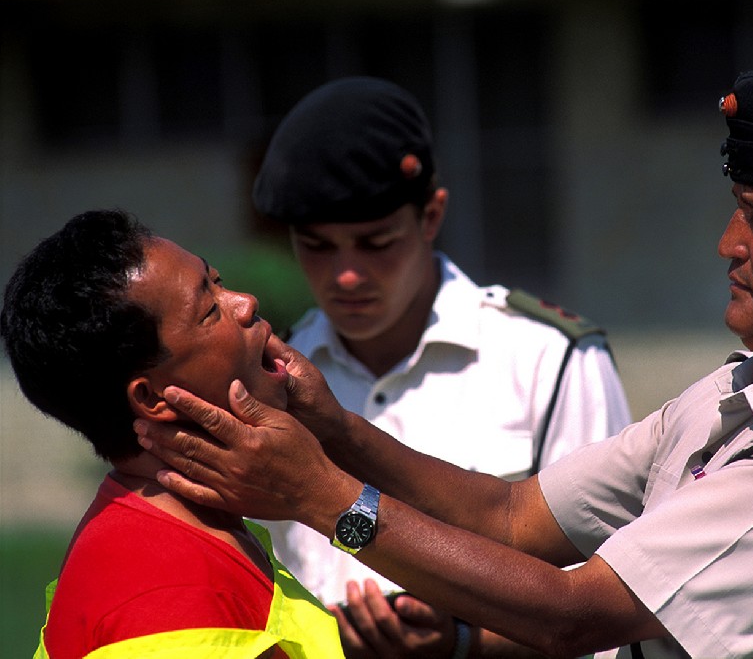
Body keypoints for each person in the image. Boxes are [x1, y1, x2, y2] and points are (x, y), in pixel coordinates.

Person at [136, 62, 753, 658]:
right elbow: (514, 516)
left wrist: (320, 497)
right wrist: (335, 429)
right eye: (736, 214)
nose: (728, 245)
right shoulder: (740, 390)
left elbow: (575, 615)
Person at [250, 76, 632, 655]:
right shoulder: (272, 374)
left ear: (431, 215)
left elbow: (615, 607)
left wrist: (461, 642)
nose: (346, 275)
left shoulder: (548, 358)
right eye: (317, 246)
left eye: (376, 243)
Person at [1, 210, 344, 658]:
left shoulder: (174, 528)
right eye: (209, 311)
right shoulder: (168, 596)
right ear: (153, 399)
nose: (245, 302)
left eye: (217, 280)